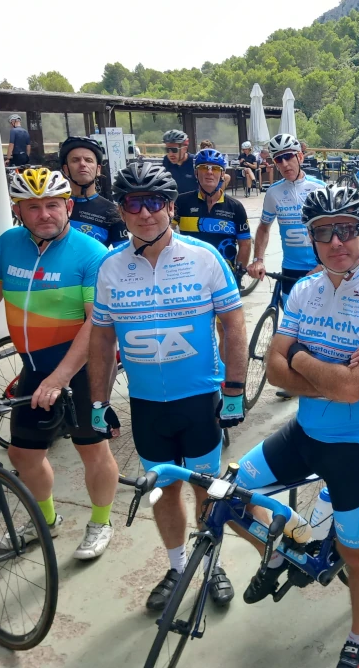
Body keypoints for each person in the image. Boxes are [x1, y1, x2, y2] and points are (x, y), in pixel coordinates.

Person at [234, 183, 359, 668]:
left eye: (347, 229)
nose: (337, 241)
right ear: (311, 239)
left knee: (357, 554)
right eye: (324, 232)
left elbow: (354, 391)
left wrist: (302, 357)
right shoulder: (304, 290)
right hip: (305, 433)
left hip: (358, 446)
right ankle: (276, 552)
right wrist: (332, 374)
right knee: (226, 496)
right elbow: (271, 370)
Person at [89, 162, 247, 612]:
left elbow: (233, 327)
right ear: (121, 210)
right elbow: (101, 336)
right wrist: (98, 400)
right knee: (162, 489)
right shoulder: (110, 267)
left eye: (154, 202)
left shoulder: (203, 257)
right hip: (145, 405)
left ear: (171, 208)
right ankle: (178, 567)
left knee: (206, 486)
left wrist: (234, 389)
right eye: (134, 203)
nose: (145, 213)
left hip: (198, 399)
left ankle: (211, 563)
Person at [0, 168, 119, 560]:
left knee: (91, 448)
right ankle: (46, 520)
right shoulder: (9, 244)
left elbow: (96, 323)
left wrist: (61, 377)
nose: (45, 214)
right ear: (18, 211)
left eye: (52, 205)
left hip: (82, 369)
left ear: (68, 206)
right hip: (35, 367)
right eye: (33, 207)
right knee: (23, 454)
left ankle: (100, 522)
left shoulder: (91, 253)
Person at [248, 134, 324, 304]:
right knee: (291, 323)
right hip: (291, 268)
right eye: (278, 160)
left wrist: (326, 265)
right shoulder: (273, 193)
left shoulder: (320, 188)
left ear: (300, 156)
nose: (284, 164)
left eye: (288, 157)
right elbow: (263, 227)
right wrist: (258, 260)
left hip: (321, 267)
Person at [173, 148, 251, 273]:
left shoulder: (236, 207)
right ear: (196, 173)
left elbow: (245, 243)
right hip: (190, 274)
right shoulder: (181, 202)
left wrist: (238, 273)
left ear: (222, 174)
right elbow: (167, 233)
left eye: (215, 168)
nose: (209, 172)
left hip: (223, 275)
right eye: (204, 168)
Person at [59, 136, 128, 248]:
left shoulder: (113, 212)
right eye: (75, 160)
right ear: (66, 169)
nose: (82, 164)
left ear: (98, 169)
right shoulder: (53, 206)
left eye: (88, 160)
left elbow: (123, 257)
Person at [161, 129, 197, 195]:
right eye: (167, 150)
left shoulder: (195, 162)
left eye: (174, 150)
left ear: (185, 148)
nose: (170, 154)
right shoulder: (166, 161)